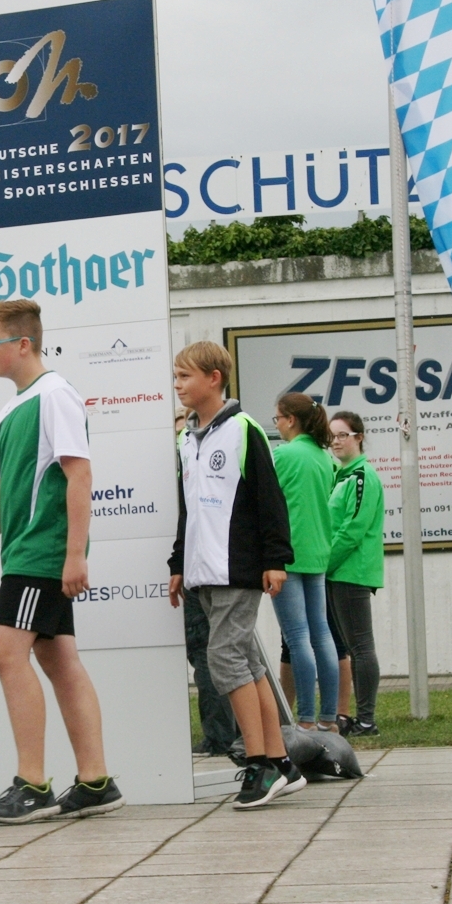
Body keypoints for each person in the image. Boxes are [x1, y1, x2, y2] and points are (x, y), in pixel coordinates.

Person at [0, 299, 125, 824]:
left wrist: (74, 555)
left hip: (41, 552)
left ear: (23, 344)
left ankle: (33, 785)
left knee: (6, 651)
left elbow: (79, 474)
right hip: (24, 552)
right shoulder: (11, 410)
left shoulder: (55, 396)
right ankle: (95, 782)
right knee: (60, 661)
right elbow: (3, 493)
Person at [168, 341, 305, 810]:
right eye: (175, 376)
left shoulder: (244, 430)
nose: (177, 385)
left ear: (214, 379)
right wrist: (178, 563)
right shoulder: (187, 438)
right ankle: (281, 761)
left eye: (185, 376)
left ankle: (259, 762)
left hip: (238, 566)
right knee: (246, 663)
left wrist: (276, 558)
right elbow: (188, 510)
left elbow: (270, 499)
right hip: (202, 570)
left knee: (224, 659)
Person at [177, 409, 243, 762]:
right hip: (199, 565)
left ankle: (222, 736)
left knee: (214, 653)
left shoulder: (223, 438)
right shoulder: (188, 448)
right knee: (228, 655)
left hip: (214, 566)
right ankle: (248, 740)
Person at [270, 392, 339, 731]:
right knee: (321, 633)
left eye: (277, 419)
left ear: (291, 420)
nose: (277, 425)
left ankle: (307, 720)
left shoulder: (284, 454)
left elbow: (267, 499)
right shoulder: (325, 457)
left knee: (297, 637)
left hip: (288, 554)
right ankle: (328, 718)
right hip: (318, 552)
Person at [325, 411, 385, 736]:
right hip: (338, 573)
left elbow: (352, 529)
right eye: (331, 436)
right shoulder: (341, 474)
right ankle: (358, 718)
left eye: (342, 435)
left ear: (359, 437)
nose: (335, 441)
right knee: (352, 646)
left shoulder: (363, 476)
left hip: (352, 572)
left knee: (361, 646)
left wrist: (324, 564)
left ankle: (366, 720)